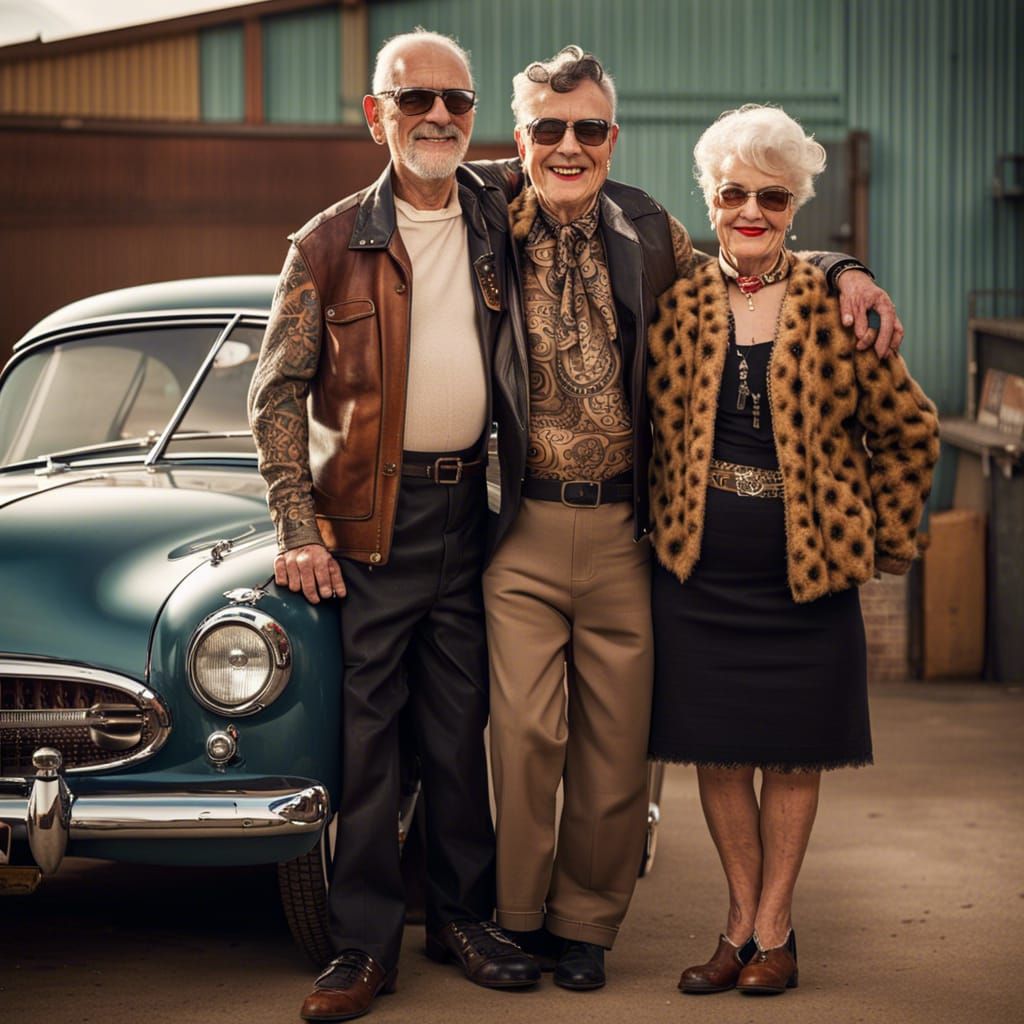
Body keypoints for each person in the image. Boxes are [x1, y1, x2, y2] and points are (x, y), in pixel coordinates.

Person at [472, 48, 904, 992]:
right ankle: (513, 921)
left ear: (613, 137)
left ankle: (611, 929)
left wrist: (847, 268)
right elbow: (402, 201)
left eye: (589, 128)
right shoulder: (480, 218)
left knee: (620, 749)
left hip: (660, 540)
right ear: (522, 137)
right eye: (549, 127)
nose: (570, 144)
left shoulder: (644, 230)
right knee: (527, 735)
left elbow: (762, 257)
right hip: (564, 533)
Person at [247, 29, 539, 1023]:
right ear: (377, 114)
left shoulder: (501, 204)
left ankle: (462, 916)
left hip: (474, 511)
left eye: (456, 100)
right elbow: (275, 393)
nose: (439, 115)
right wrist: (297, 521)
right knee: (368, 741)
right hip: (367, 526)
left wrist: (836, 259)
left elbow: (615, 198)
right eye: (416, 98)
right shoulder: (328, 241)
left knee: (461, 731)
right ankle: (362, 946)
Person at [646, 103, 940, 996]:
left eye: (771, 198)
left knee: (795, 753)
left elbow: (912, 431)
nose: (750, 212)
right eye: (733, 193)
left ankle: (778, 930)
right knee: (722, 754)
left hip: (806, 581)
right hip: (700, 574)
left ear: (795, 204)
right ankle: (737, 927)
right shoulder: (677, 302)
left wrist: (879, 540)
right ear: (711, 197)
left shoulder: (836, 305)